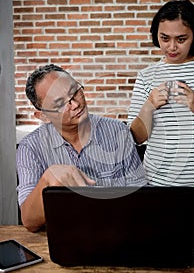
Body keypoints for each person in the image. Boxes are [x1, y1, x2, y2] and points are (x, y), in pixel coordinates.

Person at [128, 0, 194, 222]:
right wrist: (148, 105)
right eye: (164, 38)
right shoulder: (147, 76)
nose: (172, 47)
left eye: (181, 39)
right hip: (155, 184)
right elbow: (136, 137)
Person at [16, 64, 147, 232]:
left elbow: (142, 198)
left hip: (117, 234)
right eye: (60, 103)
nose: (76, 104)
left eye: (75, 92)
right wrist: (48, 178)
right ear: (44, 116)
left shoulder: (118, 131)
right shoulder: (30, 148)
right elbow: (29, 221)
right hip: (63, 240)